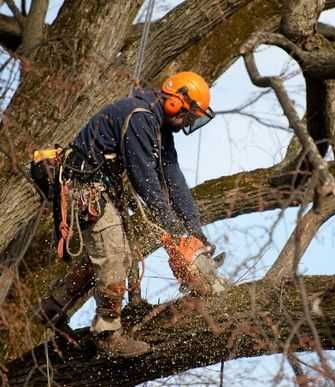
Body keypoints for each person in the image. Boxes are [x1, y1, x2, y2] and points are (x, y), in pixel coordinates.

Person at [34, 71, 224, 358]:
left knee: (116, 255)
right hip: (85, 188)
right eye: (188, 115)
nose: (187, 122)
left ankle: (51, 307)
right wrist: (173, 229)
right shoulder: (139, 116)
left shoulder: (158, 128)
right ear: (176, 101)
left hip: (100, 189)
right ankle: (108, 333)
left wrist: (195, 231)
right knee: (114, 257)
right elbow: (144, 179)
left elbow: (173, 178)